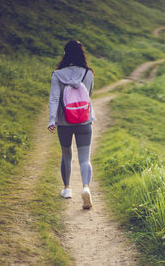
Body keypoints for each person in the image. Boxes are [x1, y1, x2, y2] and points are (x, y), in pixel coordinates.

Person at [48, 40, 95, 209]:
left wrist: (52, 120)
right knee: (85, 158)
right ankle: (86, 187)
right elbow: (89, 94)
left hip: (64, 121)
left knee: (66, 155)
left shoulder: (57, 74)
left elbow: (54, 98)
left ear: (65, 53)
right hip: (84, 120)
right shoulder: (88, 74)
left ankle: (67, 189)